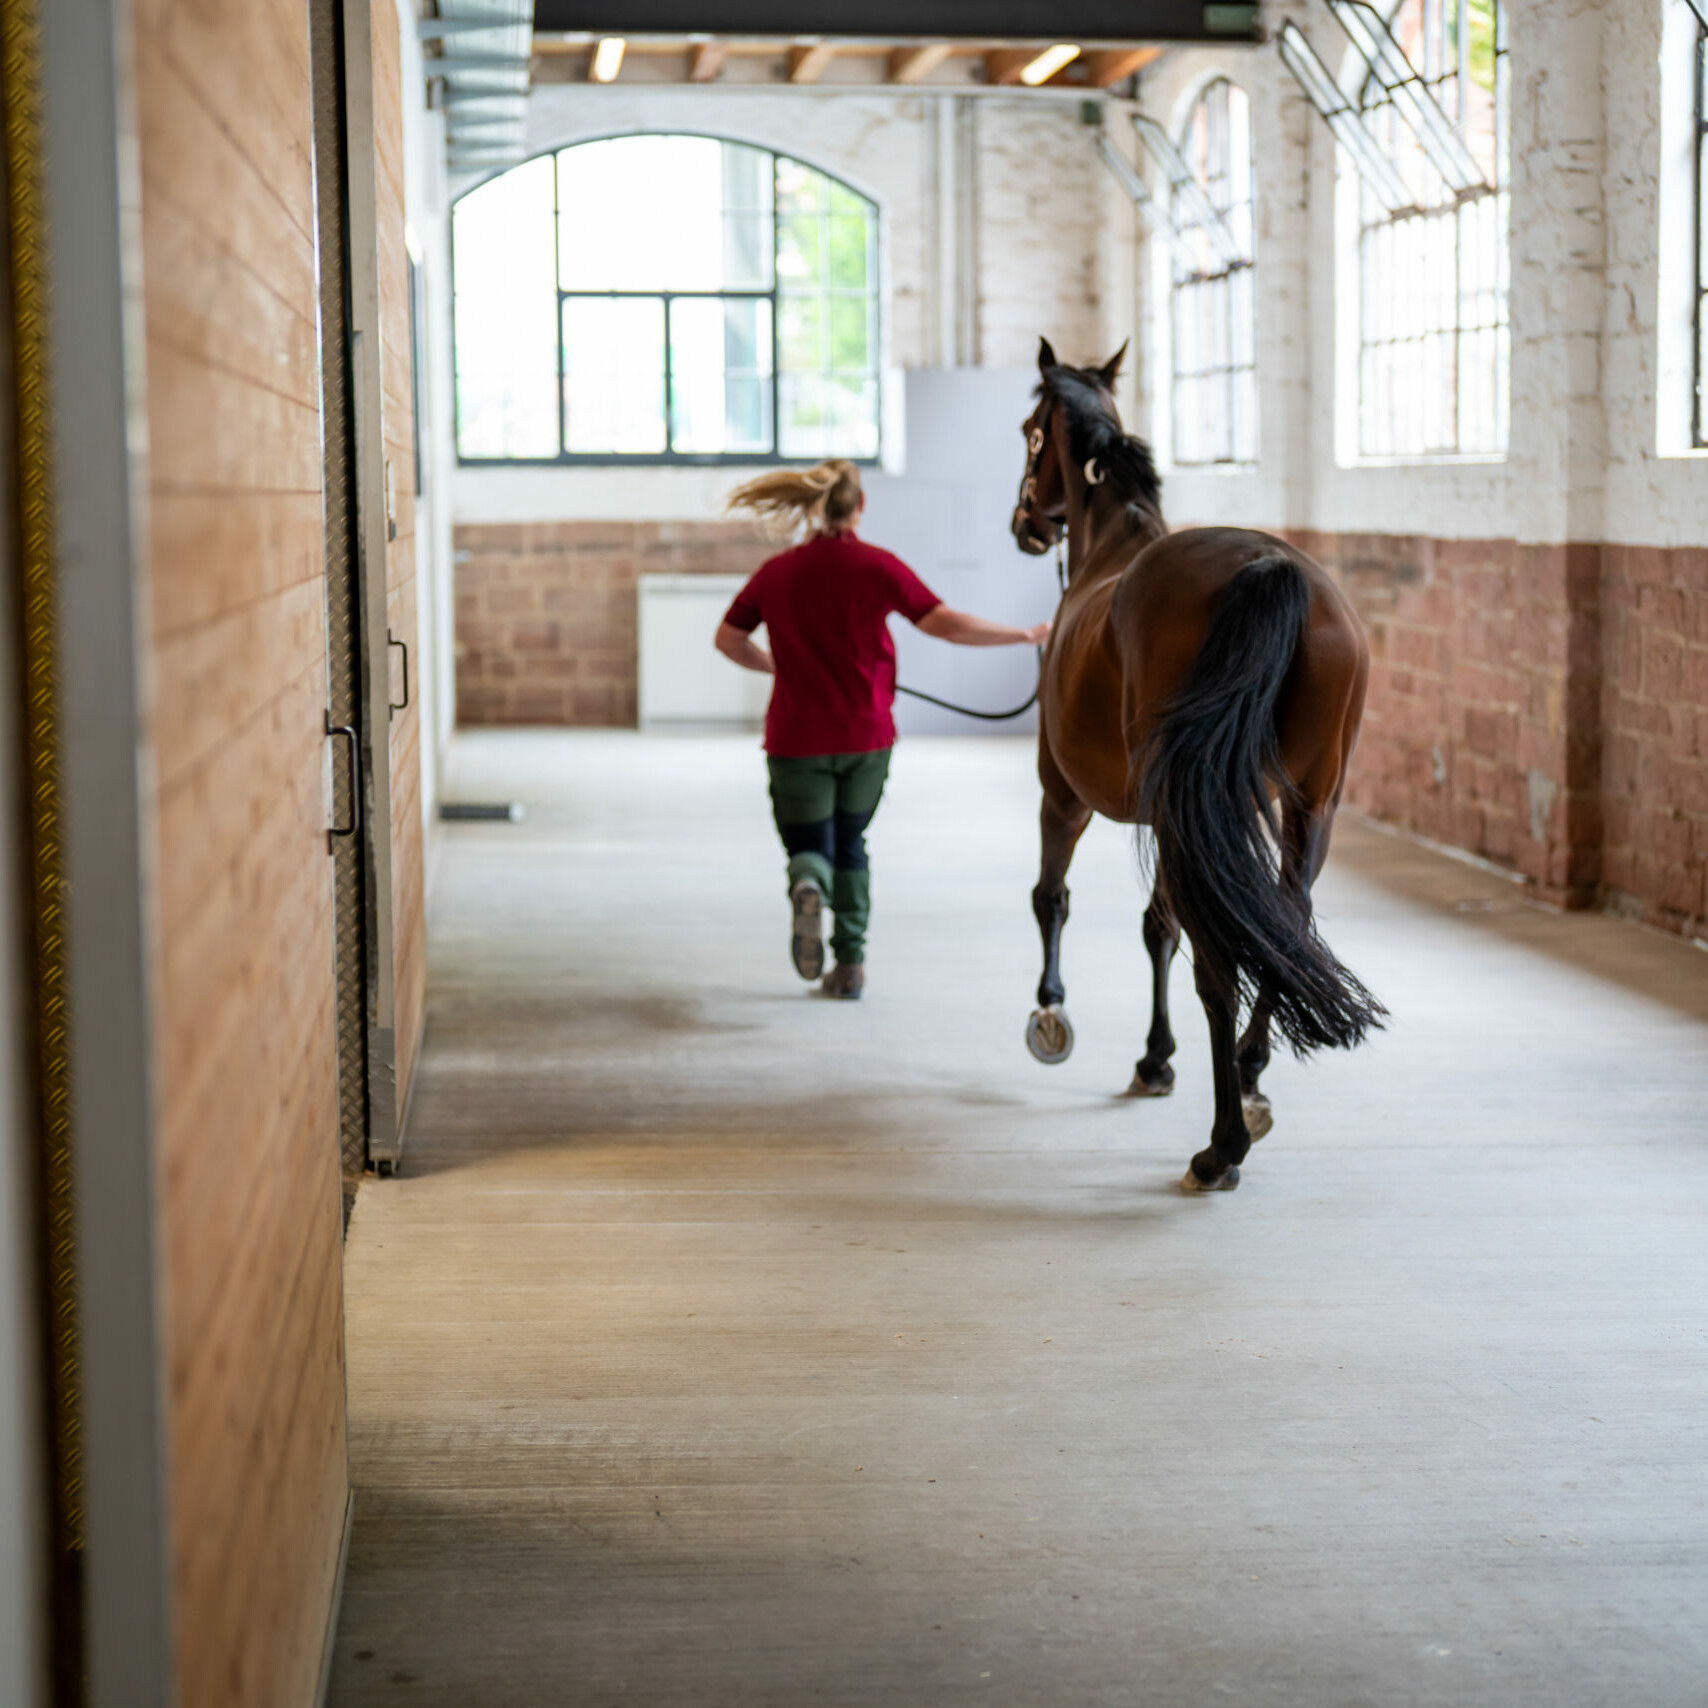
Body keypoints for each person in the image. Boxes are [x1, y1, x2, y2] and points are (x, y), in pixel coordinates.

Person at [715, 459, 1049, 1000]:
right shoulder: (878, 566)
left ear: (811, 510)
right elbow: (946, 624)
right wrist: (1024, 635)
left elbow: (728, 639)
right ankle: (849, 967)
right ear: (860, 506)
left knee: (809, 844)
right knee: (852, 842)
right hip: (866, 737)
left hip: (796, 738)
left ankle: (808, 881)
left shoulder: (776, 572)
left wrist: (775, 664)